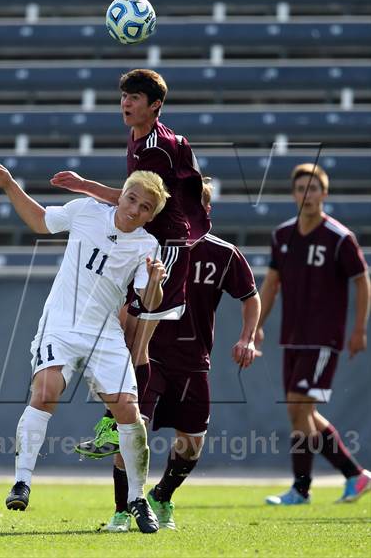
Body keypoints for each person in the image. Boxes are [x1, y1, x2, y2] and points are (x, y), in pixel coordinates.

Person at [0, 159, 171, 533]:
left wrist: (156, 282)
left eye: (144, 207)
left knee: (128, 411)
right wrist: (8, 185)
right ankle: (22, 482)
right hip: (62, 325)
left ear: (150, 216)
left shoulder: (148, 245)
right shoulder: (86, 210)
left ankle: (136, 499)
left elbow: (150, 300)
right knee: (46, 391)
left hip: (104, 334)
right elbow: (39, 221)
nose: (134, 209)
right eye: (131, 199)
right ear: (121, 196)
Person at [78, 180, 261, 531]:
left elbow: (250, 296)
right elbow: (123, 295)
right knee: (132, 431)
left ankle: (162, 495)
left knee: (191, 445)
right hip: (150, 356)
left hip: (194, 363)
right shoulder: (150, 246)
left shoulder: (224, 254)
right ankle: (121, 510)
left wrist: (248, 337)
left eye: (195, 205)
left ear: (207, 211)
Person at [51, 68, 211, 448]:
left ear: (155, 106)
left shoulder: (155, 147)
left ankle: (120, 423)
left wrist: (83, 185)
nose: (126, 102)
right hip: (149, 244)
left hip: (166, 248)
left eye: (135, 98)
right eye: (124, 95)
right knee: (127, 331)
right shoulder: (143, 137)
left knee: (137, 339)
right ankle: (122, 420)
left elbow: (138, 202)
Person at [254, 163, 370, 505]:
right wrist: (255, 324)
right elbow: (271, 284)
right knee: (299, 412)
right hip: (292, 336)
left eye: (314, 188)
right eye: (302, 188)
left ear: (325, 194)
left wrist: (359, 328)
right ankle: (355, 474)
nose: (308, 195)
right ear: (294, 194)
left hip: (323, 338)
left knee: (299, 407)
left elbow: (362, 282)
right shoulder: (282, 235)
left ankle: (301, 489)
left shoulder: (339, 237)